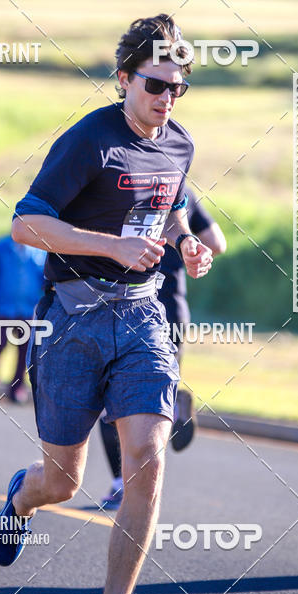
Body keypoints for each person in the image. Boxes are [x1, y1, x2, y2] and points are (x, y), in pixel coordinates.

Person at [0, 14, 214, 594]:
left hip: (144, 316)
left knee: (146, 458)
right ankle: (21, 498)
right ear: (123, 80)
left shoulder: (179, 145)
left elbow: (166, 211)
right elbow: (25, 224)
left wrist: (188, 244)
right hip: (72, 317)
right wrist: (109, 246)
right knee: (63, 480)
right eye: (155, 85)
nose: (166, 99)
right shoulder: (91, 139)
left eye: (178, 88)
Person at [100, 184, 227, 509]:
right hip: (173, 307)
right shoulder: (185, 194)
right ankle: (174, 399)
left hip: (130, 304)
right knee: (155, 389)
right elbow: (217, 243)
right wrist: (184, 246)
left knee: (111, 399)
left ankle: (121, 483)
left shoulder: (122, 185)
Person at [0, 235, 45, 400]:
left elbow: (44, 278)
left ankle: (17, 387)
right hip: (4, 307)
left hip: (28, 309)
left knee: (25, 351)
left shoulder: (39, 251)